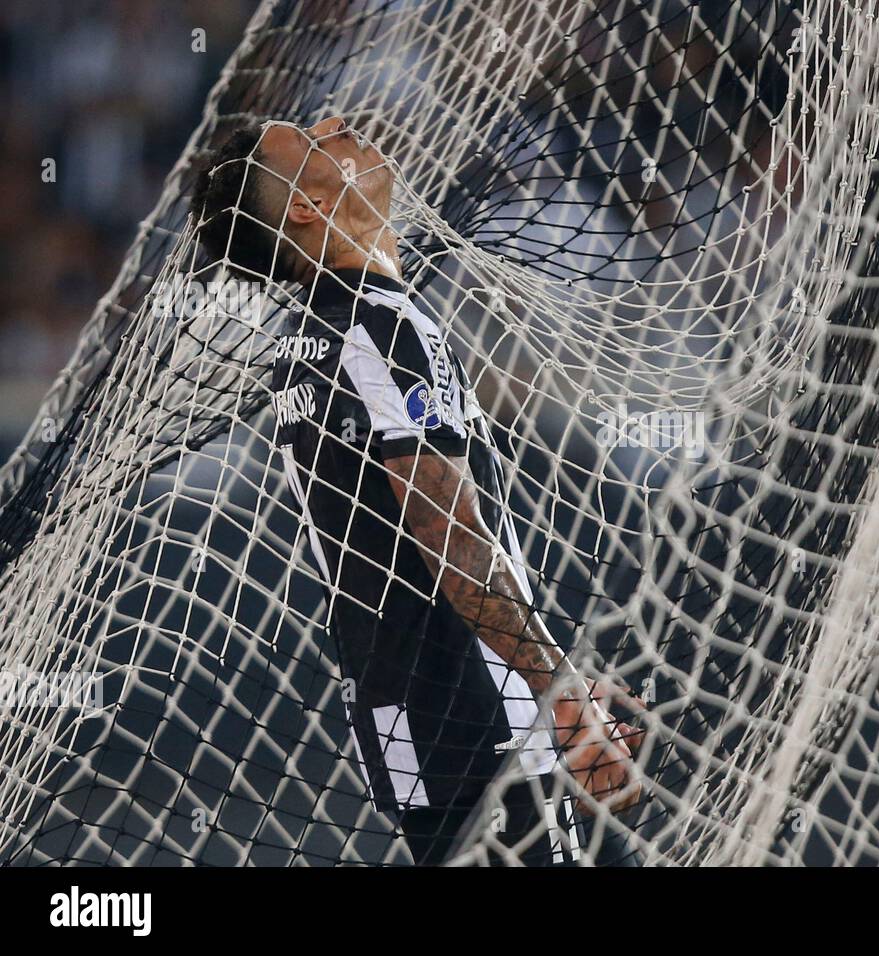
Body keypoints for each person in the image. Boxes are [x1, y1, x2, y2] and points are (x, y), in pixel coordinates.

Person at [191, 117, 643, 865]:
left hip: (415, 724)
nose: (338, 125)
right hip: (479, 726)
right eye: (313, 137)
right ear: (306, 205)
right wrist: (566, 697)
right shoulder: (376, 325)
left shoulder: (310, 337)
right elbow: (454, 539)